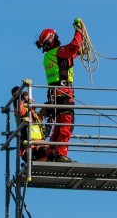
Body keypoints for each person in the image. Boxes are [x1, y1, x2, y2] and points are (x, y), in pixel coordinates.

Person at [36, 19, 86, 162]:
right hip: (63, 92)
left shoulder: (49, 56)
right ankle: (60, 154)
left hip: (55, 93)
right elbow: (74, 46)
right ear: (53, 39)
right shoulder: (58, 52)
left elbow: (70, 53)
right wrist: (79, 30)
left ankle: (52, 152)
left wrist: (79, 51)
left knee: (59, 124)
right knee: (66, 123)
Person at [10, 85, 48, 163]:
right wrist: (17, 94)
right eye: (27, 95)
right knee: (44, 152)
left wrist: (48, 108)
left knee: (53, 152)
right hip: (29, 149)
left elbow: (44, 131)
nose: (32, 98)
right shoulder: (23, 111)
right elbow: (19, 108)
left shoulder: (35, 115)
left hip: (39, 146)